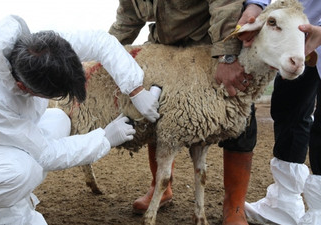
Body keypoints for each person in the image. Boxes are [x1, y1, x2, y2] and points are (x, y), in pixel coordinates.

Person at [0, 15, 161, 224]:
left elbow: (100, 41)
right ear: (22, 87)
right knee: (17, 170)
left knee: (57, 120)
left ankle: (12, 218)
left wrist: (135, 89)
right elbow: (45, 153)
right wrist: (105, 139)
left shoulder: (43, 48)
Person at [108, 0, 269, 224]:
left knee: (236, 108)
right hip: (166, 48)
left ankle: (234, 204)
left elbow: (225, 6)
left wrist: (228, 55)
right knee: (159, 111)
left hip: (212, 46)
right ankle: (161, 187)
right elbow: (127, 21)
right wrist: (103, 54)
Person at [245, 0, 321, 224]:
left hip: (309, 32)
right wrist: (256, 4)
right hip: (298, 35)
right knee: (288, 111)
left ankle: (318, 213)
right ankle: (284, 204)